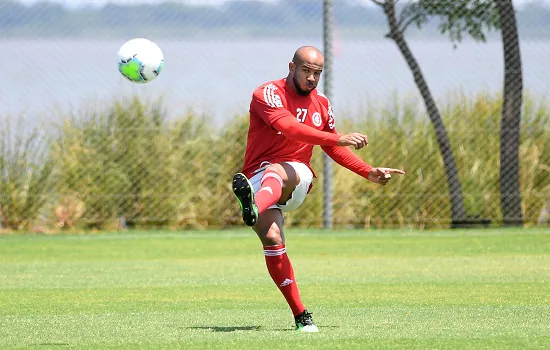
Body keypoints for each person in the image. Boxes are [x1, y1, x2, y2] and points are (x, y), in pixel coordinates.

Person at [231, 46, 405, 332]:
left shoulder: (322, 104)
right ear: (291, 66)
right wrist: (338, 138)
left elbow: (329, 147)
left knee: (279, 170)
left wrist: (367, 171)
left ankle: (252, 206)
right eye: (306, 71)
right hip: (257, 180)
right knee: (273, 240)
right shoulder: (268, 93)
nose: (312, 78)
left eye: (317, 73)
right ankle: (301, 316)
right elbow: (289, 128)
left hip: (296, 176)